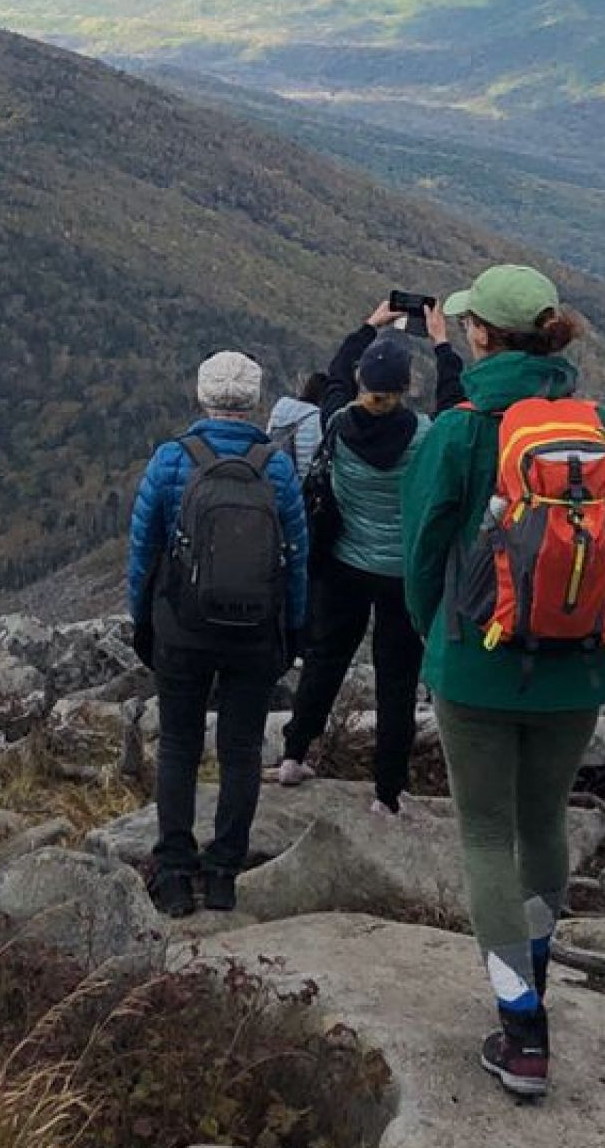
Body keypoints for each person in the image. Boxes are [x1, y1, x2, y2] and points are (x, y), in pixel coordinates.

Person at [401, 264, 605, 1102]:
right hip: (579, 670)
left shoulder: (458, 429)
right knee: (543, 824)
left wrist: (437, 641)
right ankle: (538, 982)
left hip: (475, 665)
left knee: (486, 836)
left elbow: (421, 555)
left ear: (480, 335)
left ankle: (522, 1030)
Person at [127, 349, 309, 919]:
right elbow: (297, 558)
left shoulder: (170, 459)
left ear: (203, 396)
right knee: (239, 750)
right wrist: (293, 631)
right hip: (255, 632)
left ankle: (176, 873)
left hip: (181, 627)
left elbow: (143, 550)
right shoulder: (275, 466)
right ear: (253, 401)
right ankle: (225, 871)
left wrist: (144, 621)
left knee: (179, 745)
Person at [270, 294, 466, 808]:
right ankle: (388, 792)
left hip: (343, 566)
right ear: (406, 388)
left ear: (362, 384)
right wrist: (443, 342)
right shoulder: (428, 436)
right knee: (397, 682)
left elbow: (333, 377)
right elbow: (457, 401)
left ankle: (293, 757)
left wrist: (367, 326)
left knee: (325, 660)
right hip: (403, 574)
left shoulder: (335, 423)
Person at [266, 370, 325, 473]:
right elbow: (308, 461)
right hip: (297, 480)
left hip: (271, 472)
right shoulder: (315, 417)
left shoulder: (280, 407)